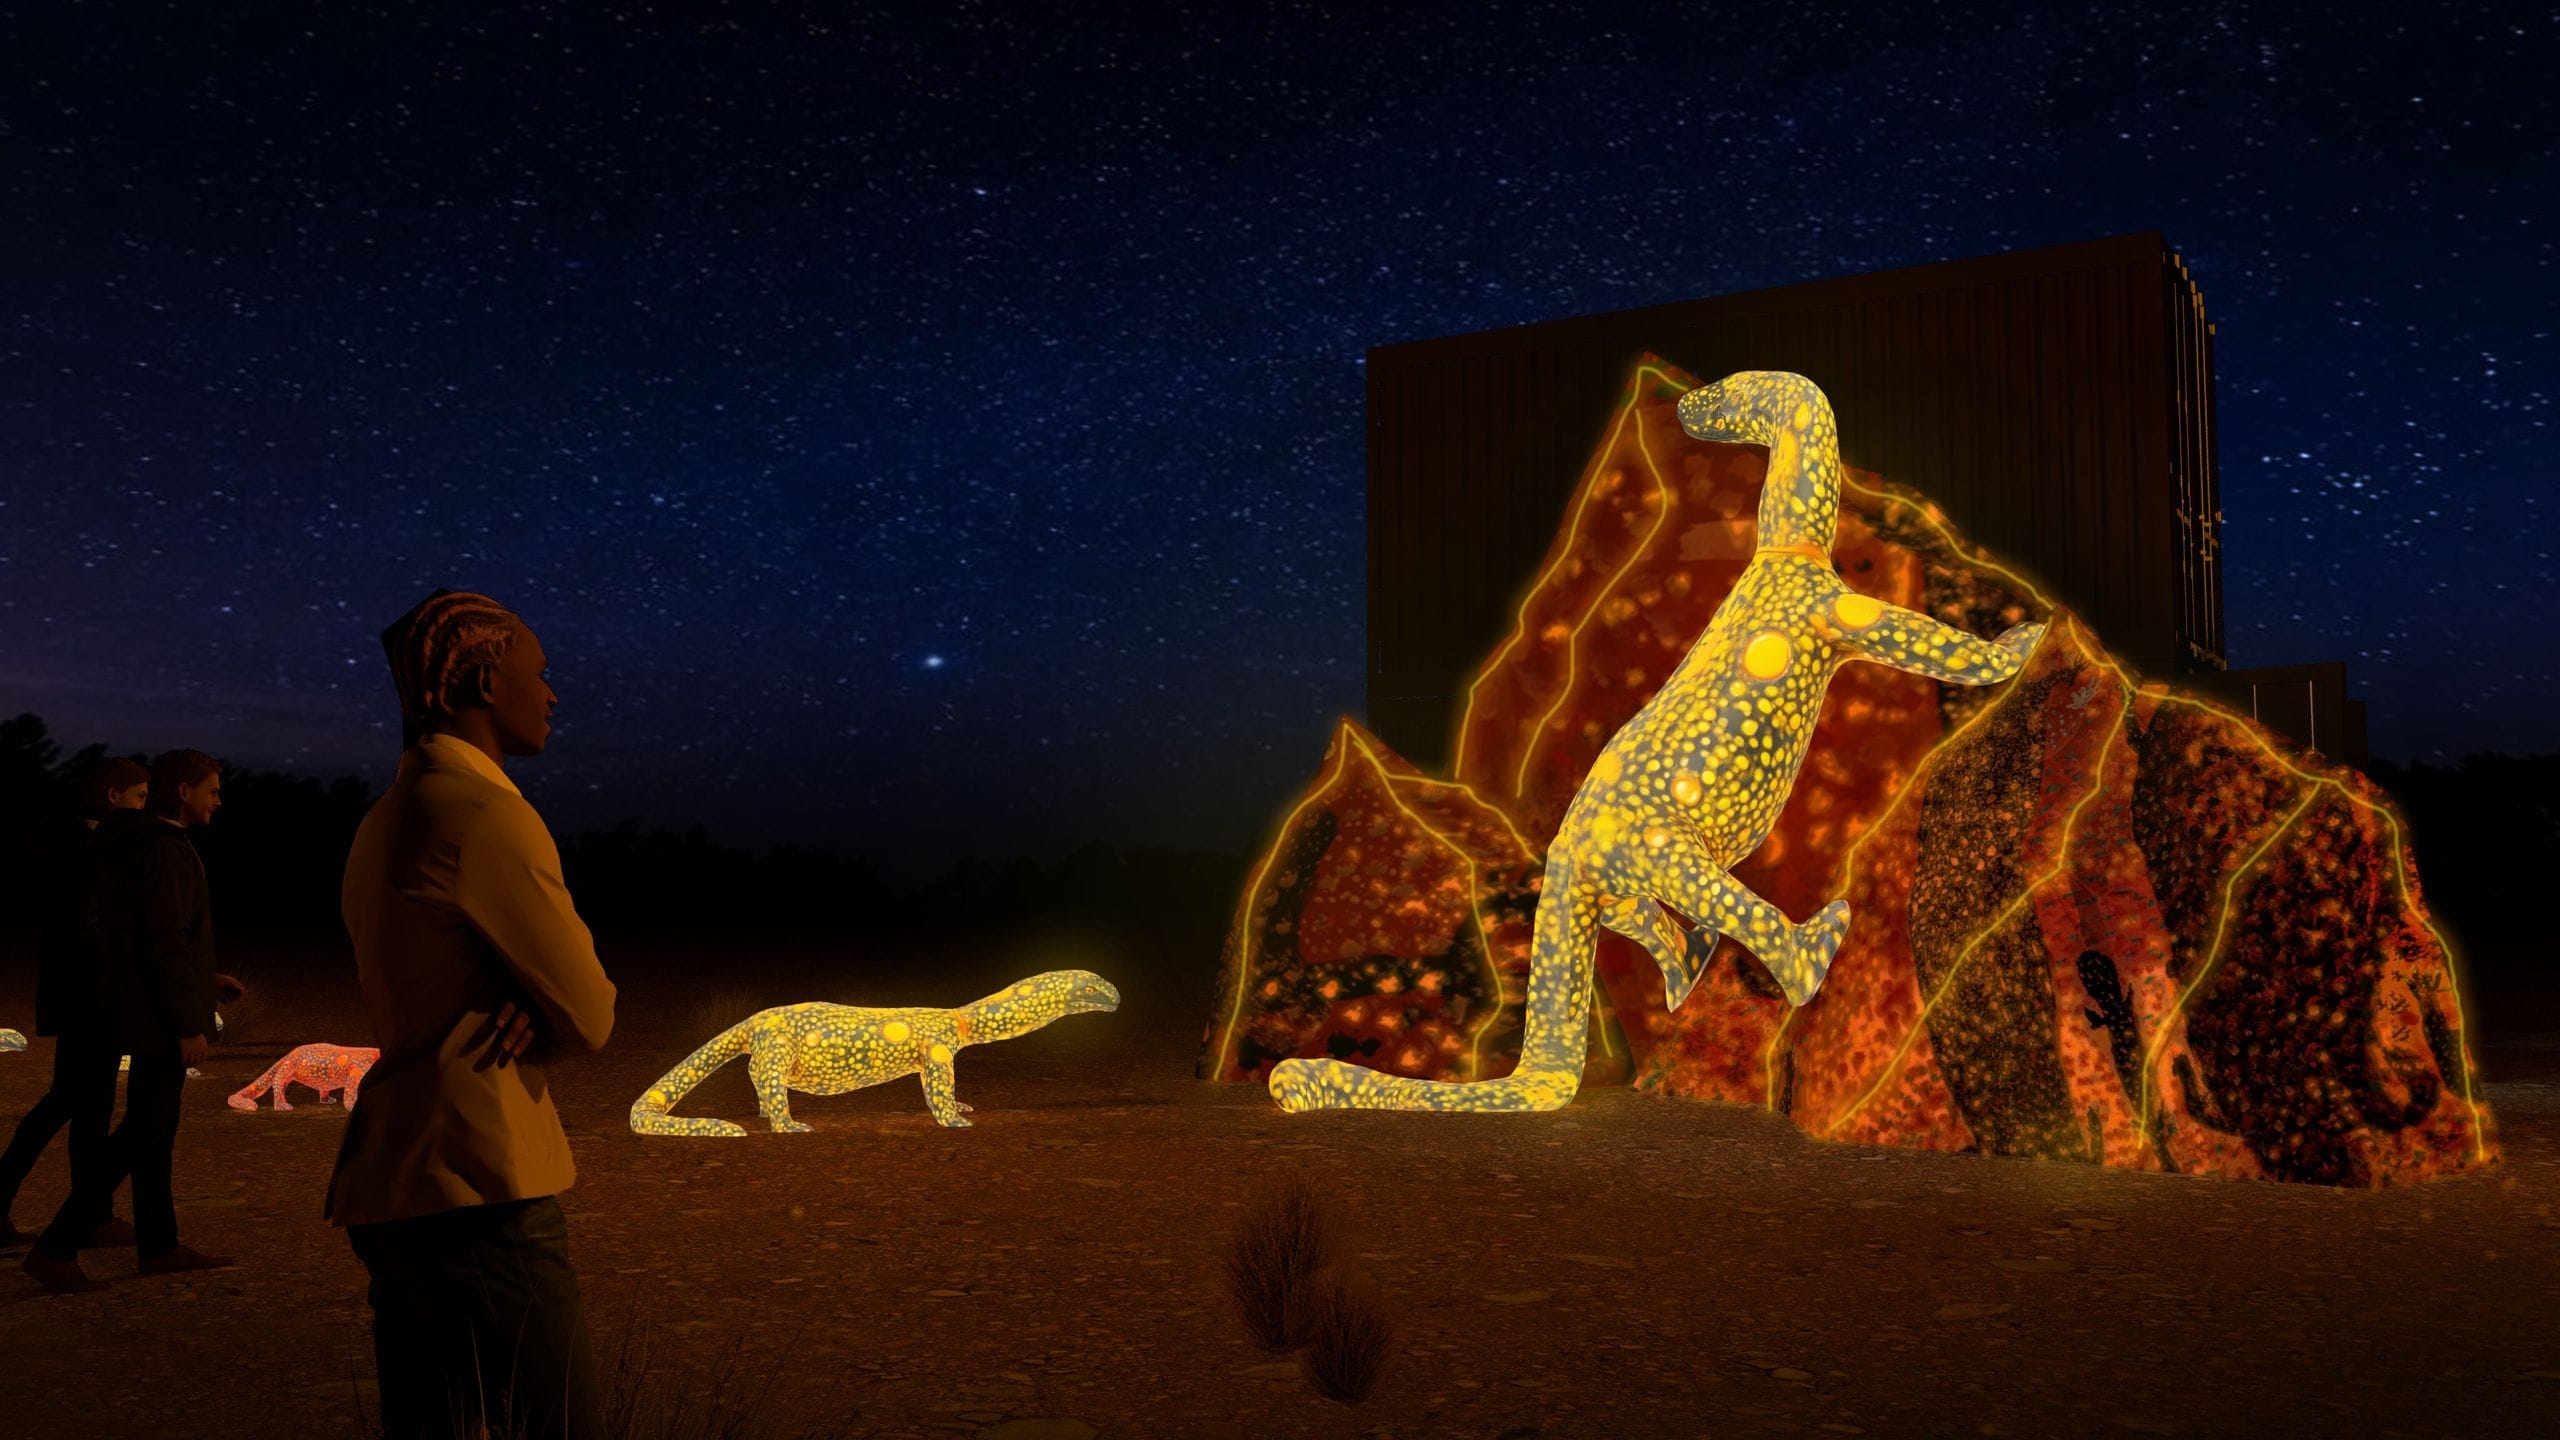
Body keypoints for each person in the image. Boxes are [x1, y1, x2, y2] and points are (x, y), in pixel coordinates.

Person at [327, 589, 617, 1440]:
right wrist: (539, 997)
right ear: (488, 680)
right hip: (480, 1183)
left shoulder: (386, 818)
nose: (553, 693)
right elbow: (593, 1012)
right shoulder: (485, 815)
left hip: (394, 1179)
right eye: (541, 672)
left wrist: (524, 992)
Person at [20, 749, 235, 1291]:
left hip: (142, 1006)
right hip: (157, 1016)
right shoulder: (163, 850)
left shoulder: (131, 846)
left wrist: (204, 978)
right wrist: (189, 1022)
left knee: (154, 1129)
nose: (218, 801)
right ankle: (57, 1244)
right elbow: (163, 941)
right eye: (211, 790)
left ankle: (158, 1244)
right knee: (142, 1130)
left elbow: (148, 934)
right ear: (183, 791)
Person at [0, 758, 148, 1247]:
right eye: (139, 797)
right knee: (72, 1101)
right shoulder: (87, 850)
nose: (143, 807)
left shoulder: (80, 845)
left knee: (86, 1106)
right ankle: (77, 1211)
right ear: (113, 796)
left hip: (86, 996)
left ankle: (90, 1212)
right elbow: (91, 931)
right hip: (90, 998)